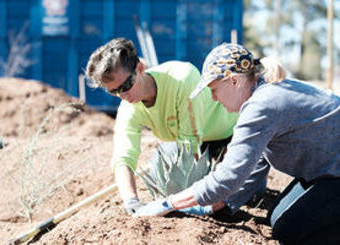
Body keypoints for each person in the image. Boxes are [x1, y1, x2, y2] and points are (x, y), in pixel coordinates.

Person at [134, 43, 340, 244]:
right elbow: (256, 163)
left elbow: (229, 175)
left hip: (334, 172)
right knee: (275, 217)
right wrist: (223, 204)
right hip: (324, 170)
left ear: (233, 81)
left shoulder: (262, 105)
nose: (214, 99)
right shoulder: (264, 90)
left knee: (289, 231)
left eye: (214, 89)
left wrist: (169, 203)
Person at [85, 38, 269, 217]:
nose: (123, 95)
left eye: (126, 85)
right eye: (114, 91)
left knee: (250, 195)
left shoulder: (182, 78)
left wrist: (183, 200)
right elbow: (123, 156)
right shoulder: (128, 107)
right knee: (163, 161)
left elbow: (190, 145)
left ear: (140, 68)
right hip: (194, 145)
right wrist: (131, 200)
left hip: (229, 135)